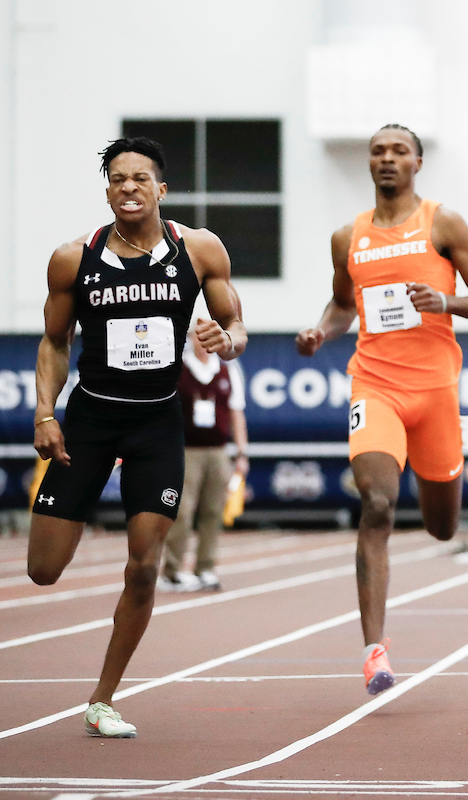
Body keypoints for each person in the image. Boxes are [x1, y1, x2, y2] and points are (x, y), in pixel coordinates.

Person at [29, 137, 246, 737]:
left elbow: (235, 324)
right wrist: (46, 411)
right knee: (42, 571)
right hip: (91, 423)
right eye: (118, 179)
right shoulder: (73, 258)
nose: (129, 188)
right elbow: (54, 342)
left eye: (140, 179)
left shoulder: (199, 250)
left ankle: (102, 699)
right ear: (107, 191)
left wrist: (227, 341)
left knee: (145, 568)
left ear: (161, 189)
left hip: (157, 423)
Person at [296, 124, 468, 696]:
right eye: (378, 152)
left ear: (416, 163)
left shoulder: (443, 224)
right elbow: (342, 306)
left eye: (398, 151)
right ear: (369, 164)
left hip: (435, 391)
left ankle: (445, 479)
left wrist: (446, 301)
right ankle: (374, 651)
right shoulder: (348, 238)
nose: (387, 159)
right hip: (375, 385)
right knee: (379, 503)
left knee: (442, 527)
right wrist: (320, 331)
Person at [159, 323, 250, 592]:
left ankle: (205, 567)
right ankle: (173, 570)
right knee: (182, 511)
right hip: (186, 450)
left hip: (218, 450)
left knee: (213, 511)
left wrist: (242, 452)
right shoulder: (179, 369)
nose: (203, 343)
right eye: (198, 338)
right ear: (190, 341)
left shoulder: (227, 370)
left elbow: (237, 413)